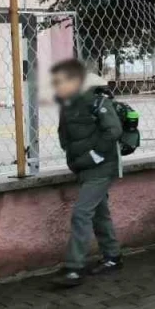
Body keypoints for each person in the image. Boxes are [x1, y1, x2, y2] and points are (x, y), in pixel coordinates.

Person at [51, 59, 123, 288]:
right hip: (84, 168)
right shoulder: (68, 105)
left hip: (101, 168)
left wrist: (95, 155)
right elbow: (64, 135)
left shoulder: (97, 102)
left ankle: (75, 267)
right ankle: (112, 257)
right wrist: (75, 160)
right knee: (99, 213)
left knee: (81, 213)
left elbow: (114, 131)